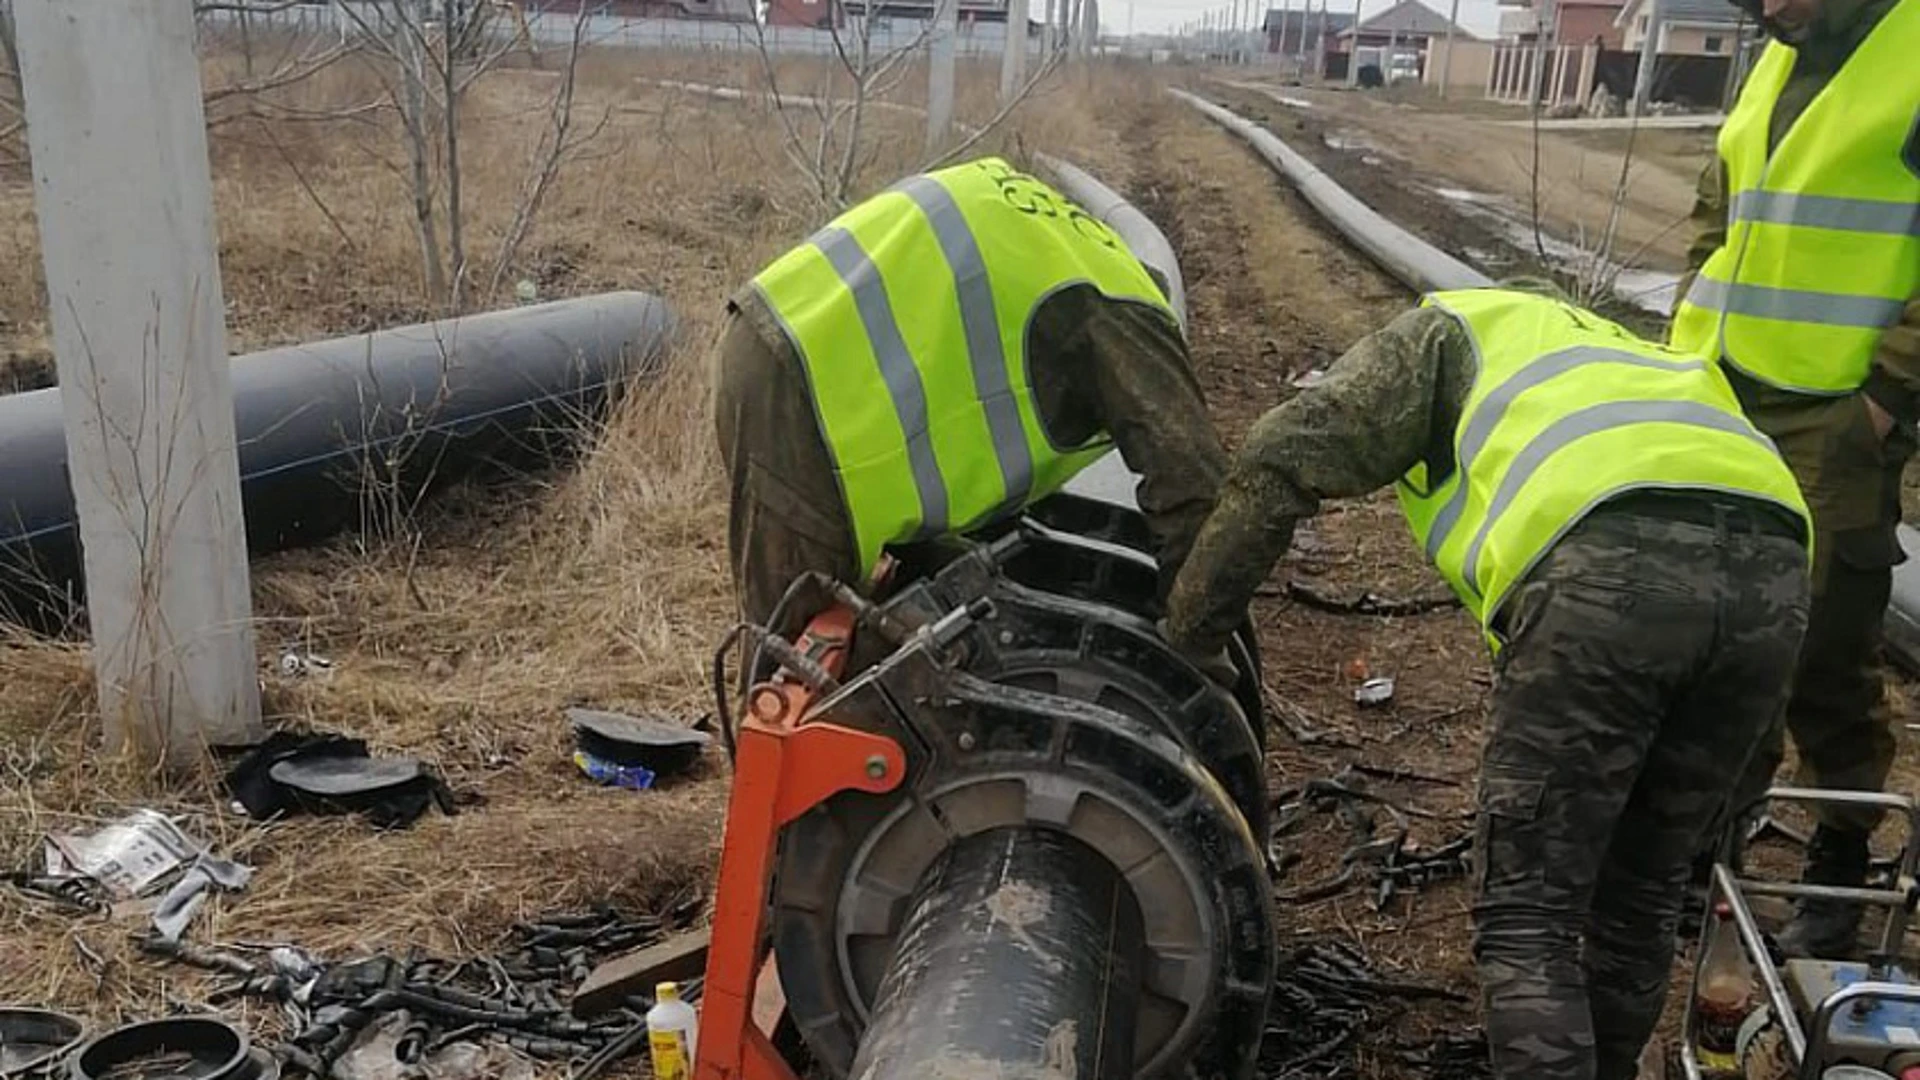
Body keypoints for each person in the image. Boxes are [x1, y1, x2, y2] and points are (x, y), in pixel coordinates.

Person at [1164, 286, 1812, 1080]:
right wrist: (1736, 800)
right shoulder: (1626, 356)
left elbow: (1279, 455)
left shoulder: (1444, 334)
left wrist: (1190, 644)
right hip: (1776, 570)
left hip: (1609, 573)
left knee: (1527, 915)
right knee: (1642, 892)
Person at [713, 156, 1227, 625]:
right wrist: (1197, 639)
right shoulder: (1129, 321)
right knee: (801, 650)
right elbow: (1192, 483)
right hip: (801, 378)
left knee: (851, 633)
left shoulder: (1084, 254)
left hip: (789, 330)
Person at [1671, 0, 1919, 957]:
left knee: (1821, 639)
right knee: (1715, 618)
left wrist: (1886, 399)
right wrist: (1687, 340)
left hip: (1837, 410)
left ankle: (1840, 860)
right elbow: (1720, 207)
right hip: (1726, 385)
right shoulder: (1777, 57)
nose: (1767, 7)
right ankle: (1709, 838)